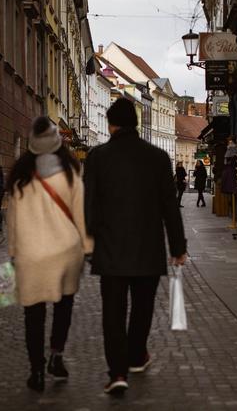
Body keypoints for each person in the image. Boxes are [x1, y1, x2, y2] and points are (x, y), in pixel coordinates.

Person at [84, 98, 187, 395]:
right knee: (143, 308)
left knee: (113, 313)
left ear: (111, 124)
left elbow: (90, 204)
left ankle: (117, 372)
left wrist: (90, 239)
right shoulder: (157, 158)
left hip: (110, 249)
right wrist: (178, 246)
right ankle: (137, 354)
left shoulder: (98, 157)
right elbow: (170, 207)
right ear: (136, 124)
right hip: (148, 248)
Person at [6, 116, 93, 392]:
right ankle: (56, 356)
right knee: (63, 307)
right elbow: (82, 216)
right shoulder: (70, 173)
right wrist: (88, 248)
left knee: (33, 315)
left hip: (30, 255)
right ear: (57, 143)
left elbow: (13, 221)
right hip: (66, 252)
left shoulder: (20, 178)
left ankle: (36, 371)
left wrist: (13, 253)